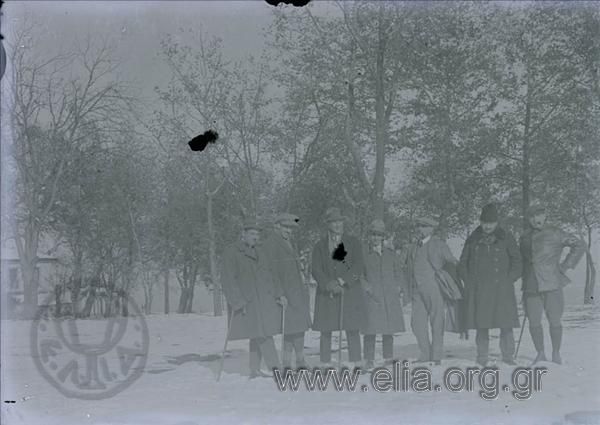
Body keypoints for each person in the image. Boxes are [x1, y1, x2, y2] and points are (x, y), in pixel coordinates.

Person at [520, 204, 586, 365]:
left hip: (552, 283)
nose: (537, 219)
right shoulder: (524, 236)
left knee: (554, 321)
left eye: (540, 215)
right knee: (534, 321)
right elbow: (522, 260)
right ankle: (540, 353)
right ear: (529, 219)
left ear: (545, 216)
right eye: (533, 216)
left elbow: (579, 245)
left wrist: (565, 266)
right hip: (531, 285)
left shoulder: (556, 233)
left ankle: (556, 353)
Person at [458, 203, 522, 366]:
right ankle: (482, 357)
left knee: (505, 323)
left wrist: (510, 279)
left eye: (491, 223)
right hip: (480, 289)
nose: (487, 226)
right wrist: (469, 281)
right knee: (482, 324)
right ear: (480, 222)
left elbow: (517, 261)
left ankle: (508, 355)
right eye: (484, 222)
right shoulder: (472, 239)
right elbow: (463, 263)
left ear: (497, 222)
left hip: (502, 288)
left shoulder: (506, 237)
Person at [220, 218, 284, 378]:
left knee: (259, 333)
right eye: (252, 234)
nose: (255, 237)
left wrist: (278, 293)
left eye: (257, 234)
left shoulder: (261, 251)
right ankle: (276, 369)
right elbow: (228, 279)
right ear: (243, 234)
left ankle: (254, 369)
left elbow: (271, 274)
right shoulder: (232, 252)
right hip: (248, 302)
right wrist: (237, 301)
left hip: (265, 300)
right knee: (263, 334)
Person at [311, 207, 366, 367]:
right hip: (327, 293)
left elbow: (359, 266)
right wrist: (329, 284)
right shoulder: (319, 246)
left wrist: (343, 280)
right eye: (334, 222)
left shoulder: (353, 242)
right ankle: (325, 362)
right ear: (328, 224)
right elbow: (316, 269)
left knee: (352, 327)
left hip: (349, 290)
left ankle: (356, 361)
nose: (337, 225)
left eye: (339, 221)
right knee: (326, 328)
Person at [262, 213, 312, 369]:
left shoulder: (290, 242)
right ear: (277, 226)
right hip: (286, 294)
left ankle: (300, 360)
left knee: (299, 327)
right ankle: (286, 363)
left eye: (291, 228)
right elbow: (271, 272)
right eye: (285, 227)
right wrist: (279, 293)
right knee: (289, 329)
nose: (289, 231)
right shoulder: (271, 244)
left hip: (297, 292)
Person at [409, 217, 458, 365]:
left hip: (434, 287)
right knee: (416, 323)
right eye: (420, 225)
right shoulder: (413, 246)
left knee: (437, 322)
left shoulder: (439, 244)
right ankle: (425, 353)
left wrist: (444, 278)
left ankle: (436, 355)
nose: (421, 229)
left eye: (425, 226)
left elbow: (452, 261)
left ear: (432, 229)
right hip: (417, 290)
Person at [360, 219, 407, 369]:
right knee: (370, 329)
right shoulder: (363, 253)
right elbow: (358, 275)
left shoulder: (390, 254)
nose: (375, 238)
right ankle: (368, 359)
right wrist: (366, 287)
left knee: (388, 329)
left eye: (378, 235)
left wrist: (399, 286)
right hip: (372, 297)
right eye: (373, 234)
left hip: (389, 296)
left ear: (383, 237)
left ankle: (388, 357)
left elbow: (398, 272)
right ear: (369, 236)